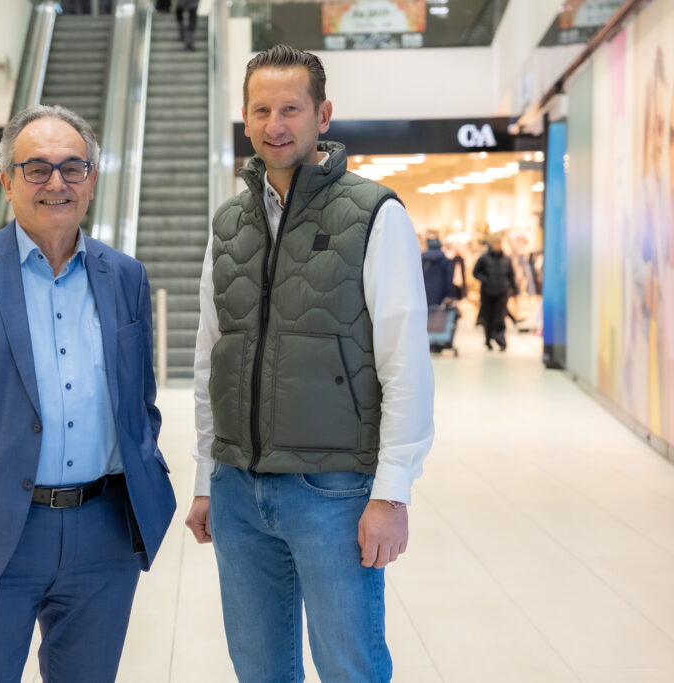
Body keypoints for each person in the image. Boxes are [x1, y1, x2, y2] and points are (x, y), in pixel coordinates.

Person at [184, 45, 434, 682]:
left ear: (322, 115)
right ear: (245, 119)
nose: (276, 125)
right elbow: (212, 357)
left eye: (291, 109)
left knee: (349, 666)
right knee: (259, 668)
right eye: (261, 110)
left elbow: (405, 363)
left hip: (333, 490)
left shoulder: (374, 213)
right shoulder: (228, 222)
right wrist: (208, 477)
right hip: (239, 488)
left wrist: (392, 493)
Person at [0, 104, 176, 683]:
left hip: (104, 531)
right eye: (37, 168)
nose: (57, 183)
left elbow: (140, 403)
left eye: (73, 168)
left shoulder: (126, 276)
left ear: (91, 181)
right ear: (7, 182)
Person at [473, 236, 517, 351]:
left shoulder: (506, 259)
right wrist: (485, 280)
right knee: (488, 316)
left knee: (500, 316)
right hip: (487, 292)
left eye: (499, 243)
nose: (497, 245)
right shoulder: (483, 258)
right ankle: (488, 339)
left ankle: (500, 340)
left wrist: (514, 289)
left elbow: (511, 275)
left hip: (502, 291)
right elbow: (475, 272)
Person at [422, 236, 454, 306]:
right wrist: (449, 295)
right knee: (437, 311)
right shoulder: (446, 261)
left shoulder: (422, 259)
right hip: (440, 293)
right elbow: (449, 279)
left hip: (424, 291)